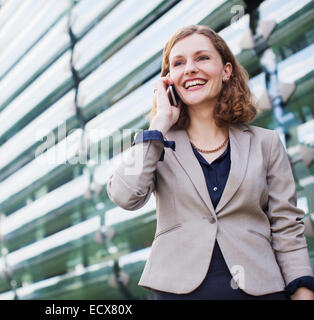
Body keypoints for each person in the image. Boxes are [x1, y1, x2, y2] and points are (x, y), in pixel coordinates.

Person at [106, 25, 314, 300]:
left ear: (226, 70)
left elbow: (287, 229)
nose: (190, 68)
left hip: (261, 291)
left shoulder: (266, 143)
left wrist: (303, 293)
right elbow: (124, 196)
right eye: (178, 63)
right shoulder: (156, 144)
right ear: (169, 80)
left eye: (202, 58)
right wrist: (158, 125)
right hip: (179, 292)